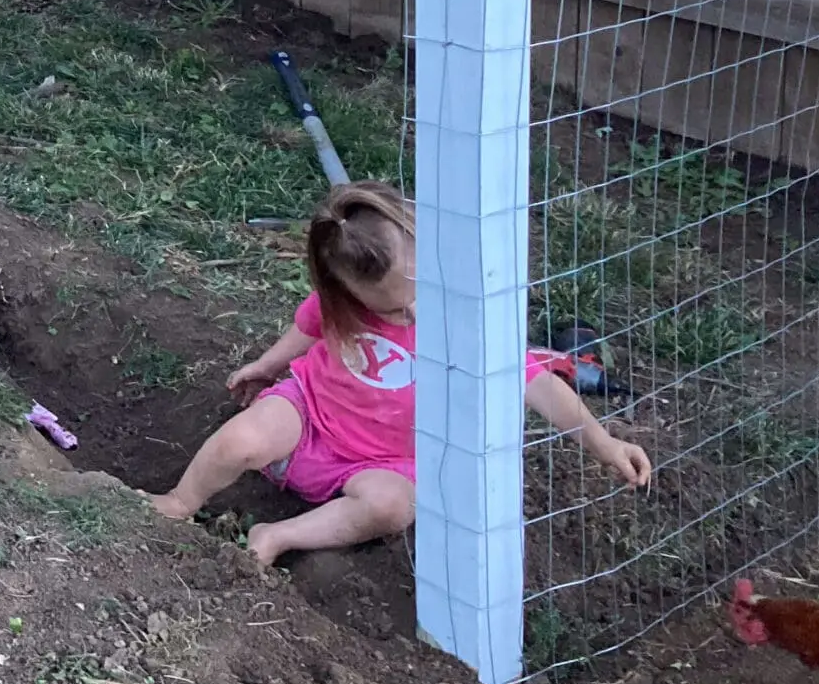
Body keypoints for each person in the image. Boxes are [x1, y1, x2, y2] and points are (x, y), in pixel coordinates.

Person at [144, 181, 652, 568]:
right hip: (309, 417)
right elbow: (306, 330)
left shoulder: (464, 322)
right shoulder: (338, 304)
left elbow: (537, 383)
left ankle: (277, 536)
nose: (412, 312)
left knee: (392, 508)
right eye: (396, 308)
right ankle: (180, 501)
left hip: (382, 459)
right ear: (348, 294)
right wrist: (266, 367)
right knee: (242, 439)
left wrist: (605, 444)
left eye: (417, 293)